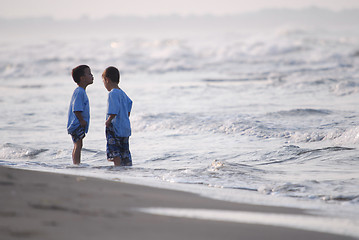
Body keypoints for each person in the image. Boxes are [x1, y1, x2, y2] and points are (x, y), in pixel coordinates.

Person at [102, 66, 133, 166]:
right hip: (125, 127)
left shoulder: (112, 93)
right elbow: (130, 103)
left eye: (103, 81)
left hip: (115, 127)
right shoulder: (123, 93)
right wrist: (125, 115)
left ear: (107, 80)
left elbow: (113, 110)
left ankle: (117, 168)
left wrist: (108, 120)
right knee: (124, 150)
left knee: (115, 151)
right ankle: (126, 167)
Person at [67, 65, 93, 165]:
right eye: (89, 74)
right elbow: (76, 109)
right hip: (77, 123)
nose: (92, 76)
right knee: (78, 144)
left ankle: (76, 163)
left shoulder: (81, 91)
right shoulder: (79, 92)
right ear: (82, 78)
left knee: (78, 144)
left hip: (77, 123)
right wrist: (81, 120)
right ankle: (76, 163)